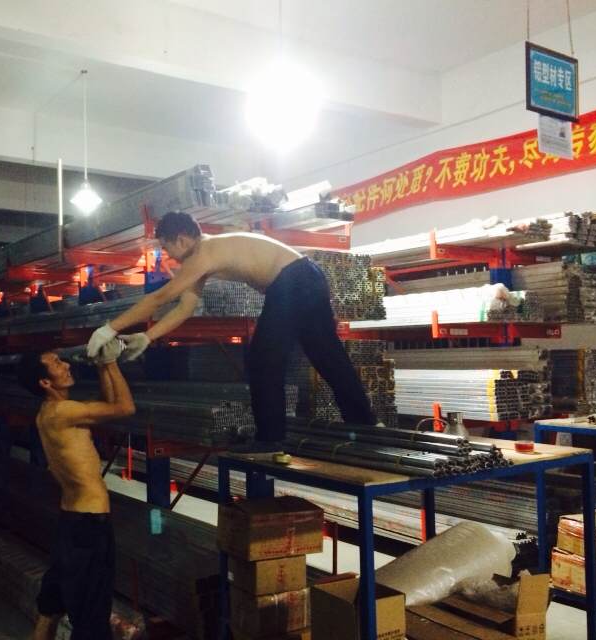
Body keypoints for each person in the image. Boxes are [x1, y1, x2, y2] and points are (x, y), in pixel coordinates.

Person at [86, 211, 377, 452]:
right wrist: (148, 337)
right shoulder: (207, 255)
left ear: (182, 239)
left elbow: (159, 298)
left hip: (291, 281)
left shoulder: (203, 254)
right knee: (327, 355)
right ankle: (365, 424)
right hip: (308, 276)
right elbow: (185, 308)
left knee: (263, 359)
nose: (168, 256)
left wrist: (108, 328)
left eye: (167, 247)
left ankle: (271, 439)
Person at [21, 341, 134, 640]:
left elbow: (106, 404)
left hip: (71, 520)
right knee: (91, 615)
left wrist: (101, 364)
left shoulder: (50, 412)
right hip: (89, 524)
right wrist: (111, 361)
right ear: (45, 383)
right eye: (57, 364)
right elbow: (124, 407)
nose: (67, 365)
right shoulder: (63, 412)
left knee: (54, 598)